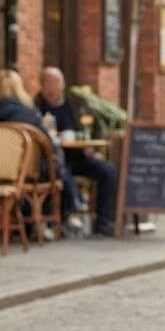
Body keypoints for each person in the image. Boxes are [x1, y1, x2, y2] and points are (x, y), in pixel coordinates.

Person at [0, 68, 84, 233]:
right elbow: (47, 142)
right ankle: (66, 214)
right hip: (27, 173)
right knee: (57, 169)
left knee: (54, 167)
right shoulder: (27, 113)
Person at [35, 67, 118, 237]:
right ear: (41, 86)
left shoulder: (77, 102)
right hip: (53, 159)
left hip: (80, 156)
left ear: (62, 84)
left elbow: (95, 128)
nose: (52, 89)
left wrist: (92, 148)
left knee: (108, 171)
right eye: (47, 84)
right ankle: (68, 217)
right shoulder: (35, 107)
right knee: (61, 173)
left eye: (55, 84)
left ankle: (104, 222)